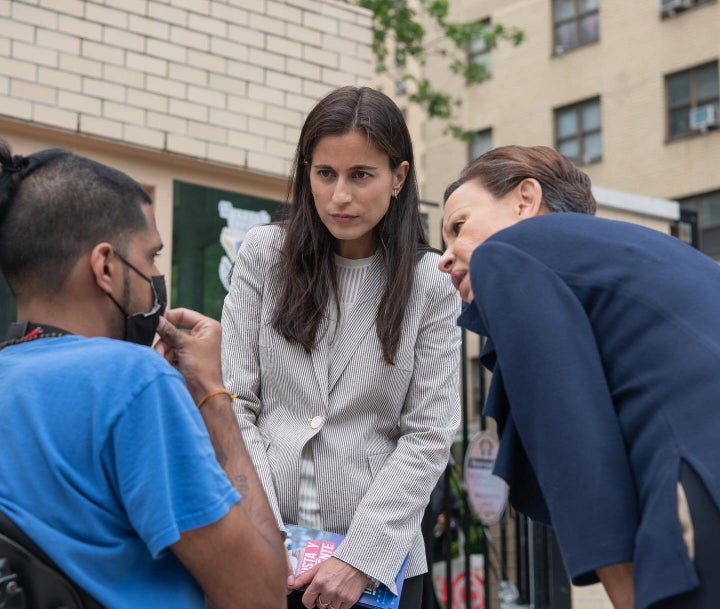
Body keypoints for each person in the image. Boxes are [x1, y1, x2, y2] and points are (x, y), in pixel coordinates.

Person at [0, 139, 286, 609]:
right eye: (151, 257)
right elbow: (261, 595)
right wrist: (213, 393)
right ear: (106, 265)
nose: (156, 274)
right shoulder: (132, 382)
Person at [438, 144, 720, 609]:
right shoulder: (650, 252)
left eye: (459, 226)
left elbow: (568, 430)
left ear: (525, 199)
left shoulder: (507, 250)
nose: (445, 258)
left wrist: (627, 593)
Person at [221, 86, 461, 609]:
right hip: (266, 557)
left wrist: (358, 558)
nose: (339, 197)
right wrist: (265, 534)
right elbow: (236, 401)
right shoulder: (265, 256)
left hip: (374, 570)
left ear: (398, 178)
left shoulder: (429, 284)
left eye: (361, 175)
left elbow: (430, 433)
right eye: (325, 174)